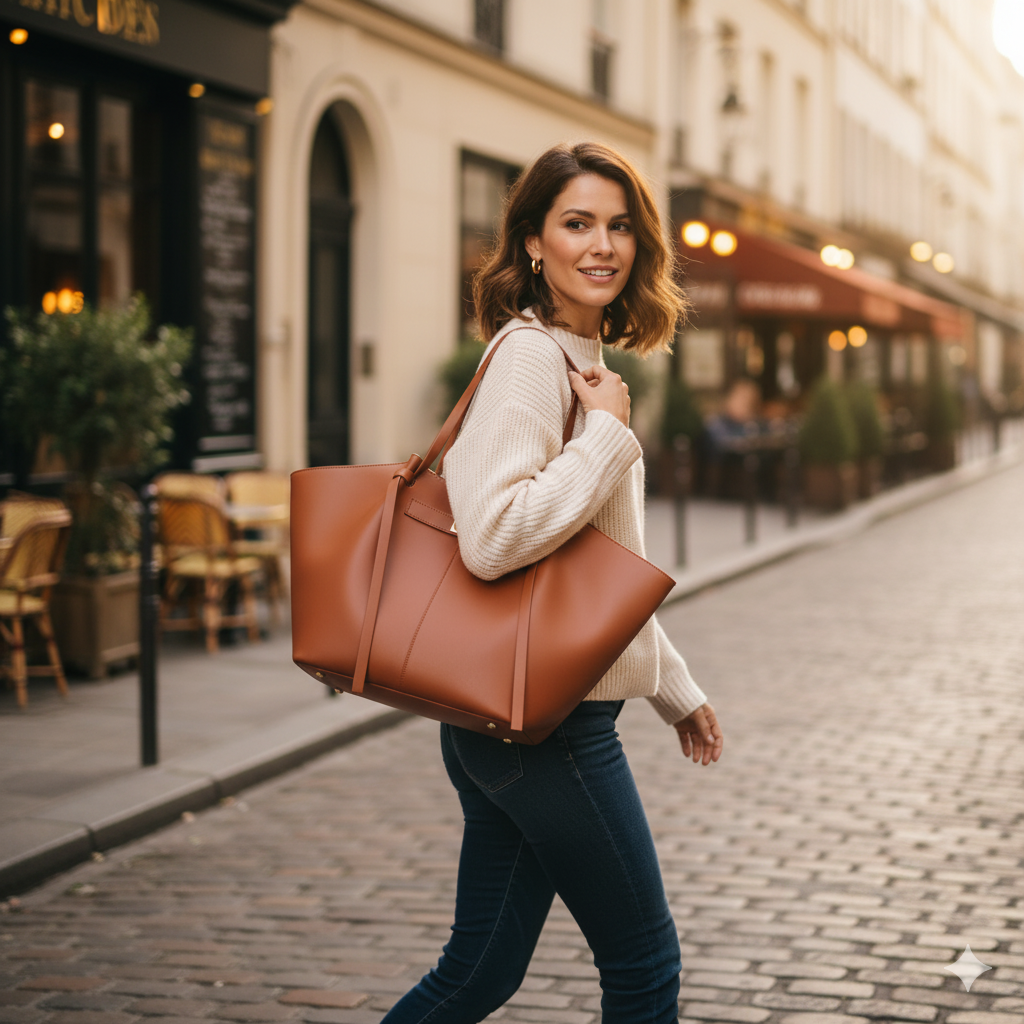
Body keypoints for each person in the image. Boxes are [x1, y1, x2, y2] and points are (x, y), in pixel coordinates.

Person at [381, 141, 724, 1024]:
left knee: (478, 973)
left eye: (619, 226)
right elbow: (494, 538)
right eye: (577, 223)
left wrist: (673, 688)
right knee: (644, 966)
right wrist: (605, 438)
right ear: (534, 241)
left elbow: (589, 567)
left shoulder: (583, 361)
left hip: (526, 717)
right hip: (547, 725)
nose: (602, 245)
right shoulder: (532, 359)